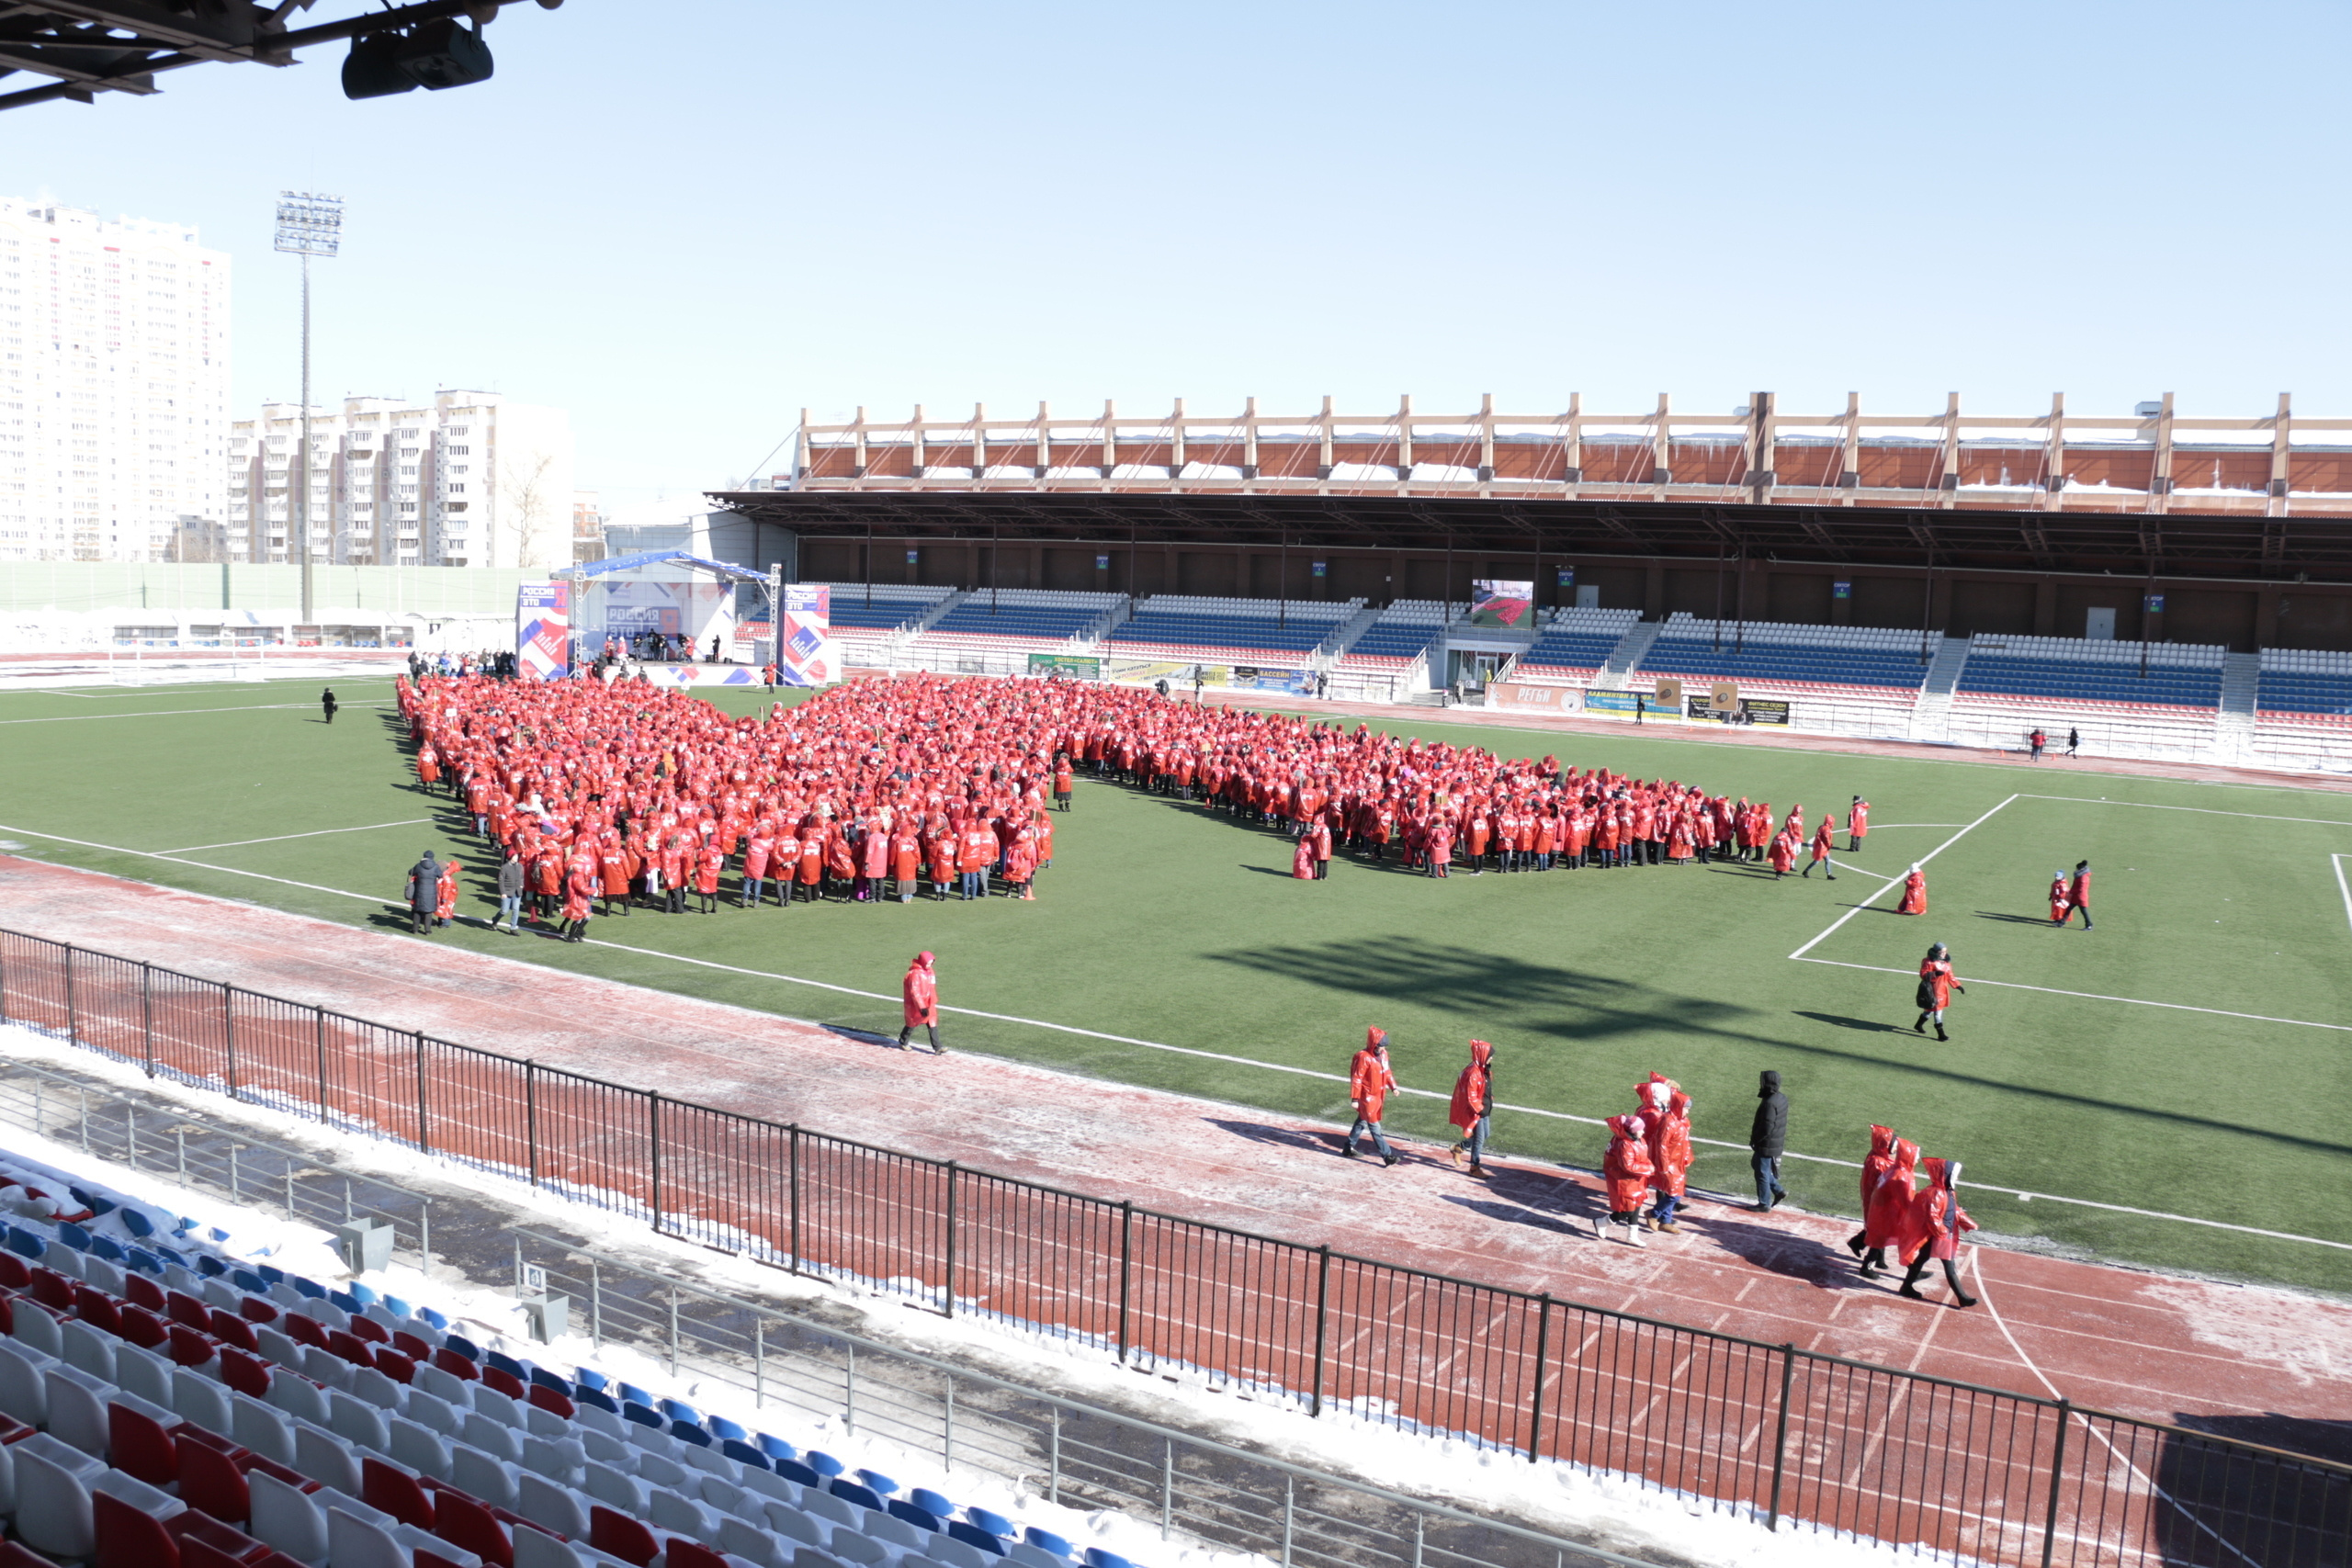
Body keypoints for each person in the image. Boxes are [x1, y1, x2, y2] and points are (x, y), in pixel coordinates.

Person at [1898, 1157, 1979, 1307]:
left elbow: (1954, 1210)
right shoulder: (1937, 1193)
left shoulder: (1948, 1192)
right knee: (1949, 1267)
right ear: (1945, 1176)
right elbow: (1932, 1217)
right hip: (1939, 1236)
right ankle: (1962, 1297)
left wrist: (1968, 1222)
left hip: (1939, 1235)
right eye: (1954, 1176)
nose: (1957, 1179)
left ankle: (1906, 1286)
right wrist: (1942, 1233)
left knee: (1921, 1259)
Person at [1851, 1130, 1919, 1278]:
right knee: (1879, 1232)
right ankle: (1862, 1250)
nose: (1895, 1149)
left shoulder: (1883, 1161)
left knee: (1880, 1232)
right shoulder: (1880, 1162)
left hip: (1880, 1201)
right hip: (1880, 1203)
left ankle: (1876, 1257)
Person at [1638, 1077, 1692, 1233]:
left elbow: (1685, 1142)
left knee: (1672, 1191)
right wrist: (1663, 1166)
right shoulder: (1668, 1122)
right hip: (1669, 1163)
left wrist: (1687, 1157)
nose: (1688, 1111)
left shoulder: (1680, 1120)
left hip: (1677, 1161)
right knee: (1674, 1193)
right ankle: (1653, 1214)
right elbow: (1661, 1145)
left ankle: (1665, 1221)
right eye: (1686, 1108)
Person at [1342, 1028, 1399, 1167]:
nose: (1382, 1048)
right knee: (1375, 1127)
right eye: (1380, 1046)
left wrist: (1393, 1086)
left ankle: (1348, 1147)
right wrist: (1355, 1099)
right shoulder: (1364, 1057)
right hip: (1367, 1097)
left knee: (1361, 1122)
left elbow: (1387, 1072)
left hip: (1378, 1095)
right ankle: (1387, 1155)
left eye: (1384, 1046)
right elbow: (1357, 1078)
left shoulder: (1383, 1055)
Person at [1600, 1114, 1654, 1245]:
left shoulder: (1639, 1140)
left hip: (1637, 1179)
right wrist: (1648, 1168)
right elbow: (1628, 1166)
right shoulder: (1625, 1144)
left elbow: (1643, 1158)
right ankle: (1602, 1222)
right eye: (1640, 1129)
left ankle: (1632, 1236)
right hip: (1625, 1181)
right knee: (1627, 1210)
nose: (1643, 1132)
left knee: (1637, 1205)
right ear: (1633, 1131)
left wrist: (1648, 1166)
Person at [1447, 1039, 1494, 1179]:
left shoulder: (1483, 1069)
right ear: (1482, 1055)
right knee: (1479, 1139)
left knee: (1485, 1134)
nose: (1492, 1058)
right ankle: (1474, 1168)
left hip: (1484, 1109)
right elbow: (1471, 1096)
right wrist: (1480, 1109)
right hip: (1477, 1112)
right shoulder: (1474, 1073)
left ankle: (1459, 1148)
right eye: (1490, 1056)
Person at [1748, 1070, 1788, 1211]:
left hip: (1767, 1144)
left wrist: (1755, 1140)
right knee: (1757, 1165)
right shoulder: (1781, 1098)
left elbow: (1766, 1127)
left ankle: (1764, 1204)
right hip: (1775, 1141)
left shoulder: (1769, 1103)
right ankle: (1778, 1190)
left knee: (1762, 1172)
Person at [895, 951, 945, 1054]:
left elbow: (931, 987)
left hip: (928, 1003)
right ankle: (903, 1041)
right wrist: (921, 1007)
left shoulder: (930, 972)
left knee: (932, 1023)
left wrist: (932, 1001)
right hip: (916, 1004)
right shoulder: (915, 974)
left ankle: (937, 1047)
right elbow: (915, 992)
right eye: (928, 962)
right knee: (912, 1023)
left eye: (931, 963)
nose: (930, 965)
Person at [1914, 942, 1962, 1040]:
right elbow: (1923, 974)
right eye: (1941, 952)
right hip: (1932, 990)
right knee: (1937, 1012)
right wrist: (1934, 974)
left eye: (1945, 952)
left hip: (1942, 990)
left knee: (1929, 1011)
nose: (1944, 954)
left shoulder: (1946, 963)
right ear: (1936, 952)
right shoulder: (1929, 962)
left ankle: (1918, 1025)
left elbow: (1950, 975)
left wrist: (1958, 985)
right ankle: (1941, 1034)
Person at [402, 851, 440, 935]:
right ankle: (428, 931)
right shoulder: (436, 867)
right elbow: (441, 875)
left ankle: (414, 930)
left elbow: (410, 872)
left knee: (417, 910)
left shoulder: (419, 866)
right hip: (431, 892)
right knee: (428, 911)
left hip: (419, 891)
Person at [494, 847, 524, 933]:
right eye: (515, 856)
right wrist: (503, 892)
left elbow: (522, 877)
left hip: (517, 892)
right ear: (510, 857)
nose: (517, 857)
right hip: (507, 892)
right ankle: (495, 920)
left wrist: (522, 885)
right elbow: (501, 881)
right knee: (504, 911)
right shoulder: (505, 867)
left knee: (516, 910)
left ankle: (513, 928)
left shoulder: (520, 866)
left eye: (517, 856)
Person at [1801, 813, 1838, 880]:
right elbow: (1826, 839)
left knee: (1826, 860)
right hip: (1822, 848)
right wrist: (1829, 845)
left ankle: (1829, 874)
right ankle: (1806, 871)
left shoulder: (1821, 827)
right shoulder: (1826, 829)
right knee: (1817, 861)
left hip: (1820, 847)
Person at [2066, 859, 2093, 929]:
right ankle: (2061, 922)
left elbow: (2081, 889)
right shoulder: (2079, 876)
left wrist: (2071, 892)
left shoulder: (2083, 878)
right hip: (2076, 897)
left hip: (2081, 898)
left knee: (2084, 912)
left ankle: (2089, 925)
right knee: (2068, 909)